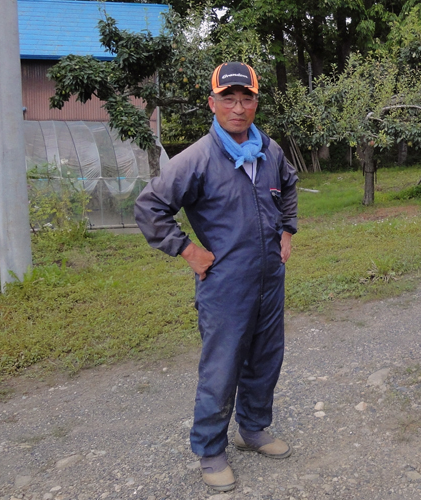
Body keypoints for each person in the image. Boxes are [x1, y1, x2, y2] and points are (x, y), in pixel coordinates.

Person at [134, 61, 298, 492]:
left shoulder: (270, 151)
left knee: (266, 358)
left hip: (269, 279)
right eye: (229, 99)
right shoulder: (197, 159)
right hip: (225, 284)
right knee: (221, 367)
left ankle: (253, 429)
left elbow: (289, 185)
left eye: (246, 99)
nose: (238, 108)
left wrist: (287, 230)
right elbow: (149, 207)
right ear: (212, 103)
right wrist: (188, 250)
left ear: (256, 103)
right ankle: (210, 450)